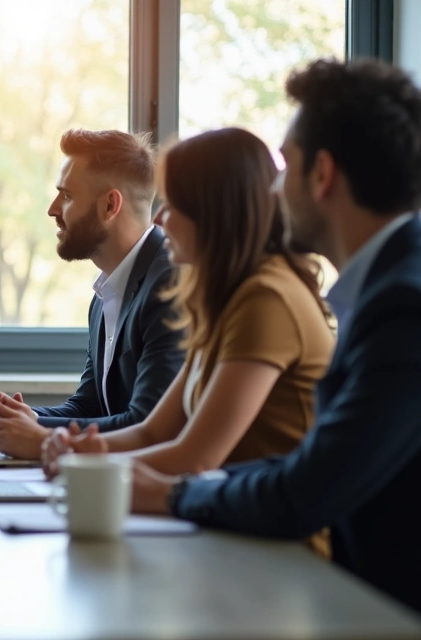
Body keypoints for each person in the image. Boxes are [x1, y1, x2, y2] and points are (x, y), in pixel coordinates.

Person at [128, 58, 421, 613]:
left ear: (323, 174)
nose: (274, 189)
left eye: (285, 167)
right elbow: (307, 463)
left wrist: (173, 493)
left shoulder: (404, 307)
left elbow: (306, 491)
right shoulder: (383, 291)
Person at [42, 127, 334, 489]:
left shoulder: (267, 297)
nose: (160, 220)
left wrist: (78, 465)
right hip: (224, 521)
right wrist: (76, 450)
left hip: (279, 538)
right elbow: (152, 433)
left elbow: (195, 458)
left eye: (175, 205)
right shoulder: (222, 299)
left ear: (216, 213)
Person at [0, 129, 184, 459]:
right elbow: (90, 405)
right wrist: (28, 420)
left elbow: (148, 423)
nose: (52, 209)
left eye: (67, 196)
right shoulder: (105, 294)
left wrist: (42, 435)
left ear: (110, 205)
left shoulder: (170, 285)